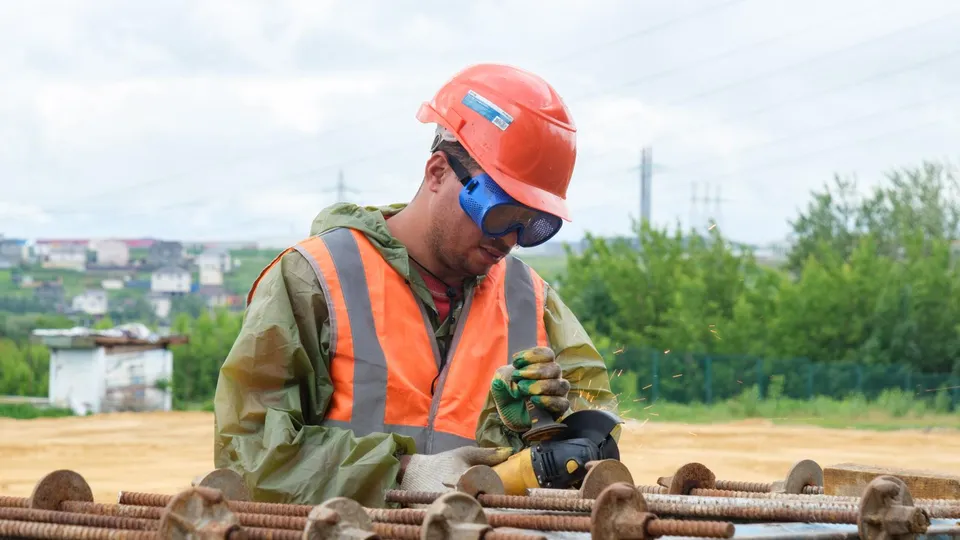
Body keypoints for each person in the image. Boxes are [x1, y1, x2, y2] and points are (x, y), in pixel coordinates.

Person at [213, 63, 619, 508]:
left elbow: (593, 441)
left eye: (532, 226)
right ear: (438, 172)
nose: (508, 240)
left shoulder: (531, 301)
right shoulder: (313, 280)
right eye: (498, 212)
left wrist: (532, 432)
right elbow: (249, 454)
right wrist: (402, 473)